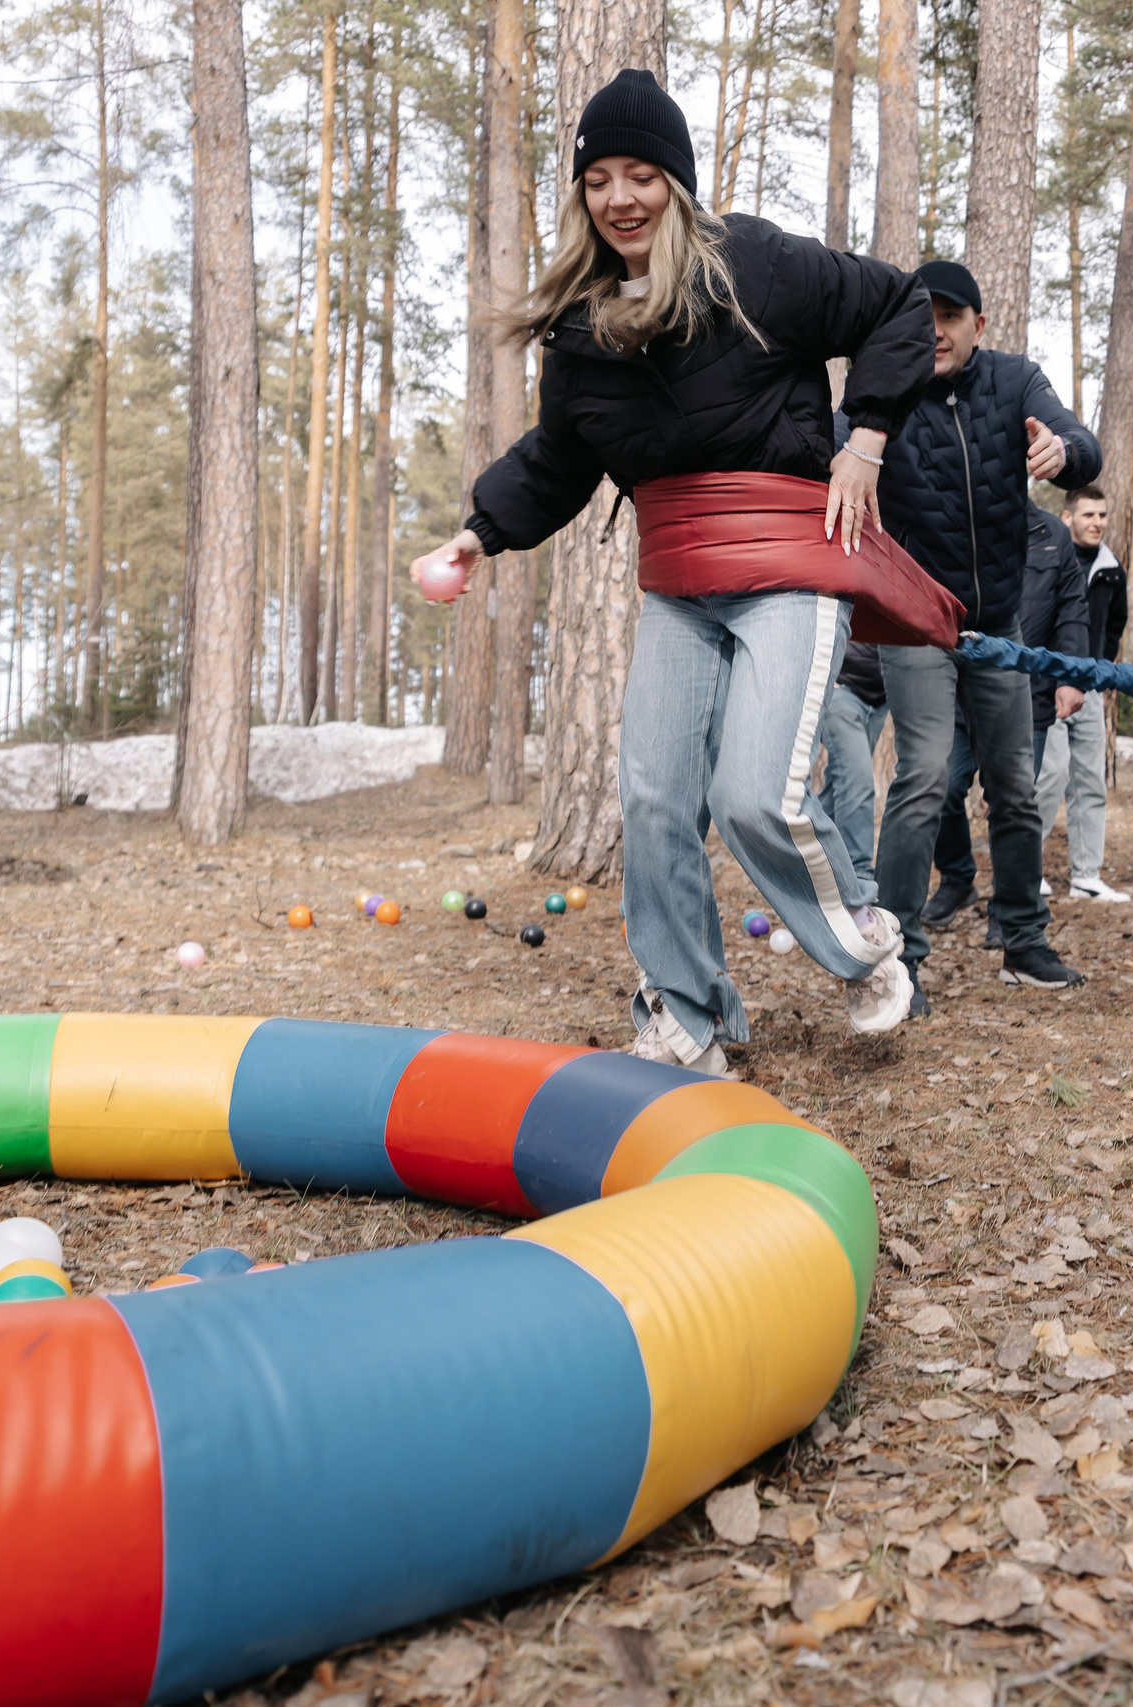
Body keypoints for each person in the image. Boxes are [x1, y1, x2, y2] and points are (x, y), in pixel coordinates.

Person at [414, 69, 939, 1075]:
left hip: (788, 563)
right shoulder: (582, 329)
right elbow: (559, 458)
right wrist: (479, 533)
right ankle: (687, 1016)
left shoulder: (756, 266)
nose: (620, 198)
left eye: (642, 175)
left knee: (754, 795)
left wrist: (866, 441)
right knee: (654, 801)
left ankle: (864, 943)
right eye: (598, 180)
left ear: (677, 182)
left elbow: (900, 304)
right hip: (680, 585)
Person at [870, 259, 1101, 998]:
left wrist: (1063, 451)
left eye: (950, 317)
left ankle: (1023, 940)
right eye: (923, 318)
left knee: (1014, 785)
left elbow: (1078, 442)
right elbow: (834, 443)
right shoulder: (885, 387)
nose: (935, 332)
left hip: (998, 624)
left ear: (978, 324)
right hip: (917, 621)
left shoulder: (1014, 379)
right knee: (925, 779)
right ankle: (898, 959)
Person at [926, 503, 1090, 948]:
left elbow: (1072, 610)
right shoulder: (958, 518)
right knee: (941, 786)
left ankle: (1009, 907)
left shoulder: (1053, 534)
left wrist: (1071, 677)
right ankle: (957, 877)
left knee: (1012, 800)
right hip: (959, 690)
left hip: (1027, 693)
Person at [1036, 485, 1130, 904]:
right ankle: (1026, 870)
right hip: (1047, 686)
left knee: (1091, 781)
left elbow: (1114, 625)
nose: (1097, 522)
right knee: (1051, 774)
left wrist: (1100, 668)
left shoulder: (1111, 570)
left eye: (1102, 515)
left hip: (1088, 689)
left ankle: (1087, 876)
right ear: (1067, 517)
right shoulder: (1049, 557)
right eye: (1088, 514)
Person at [817, 641, 887, 889]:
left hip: (880, 700)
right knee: (856, 782)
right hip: (841, 689)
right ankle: (858, 880)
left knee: (840, 785)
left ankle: (808, 866)